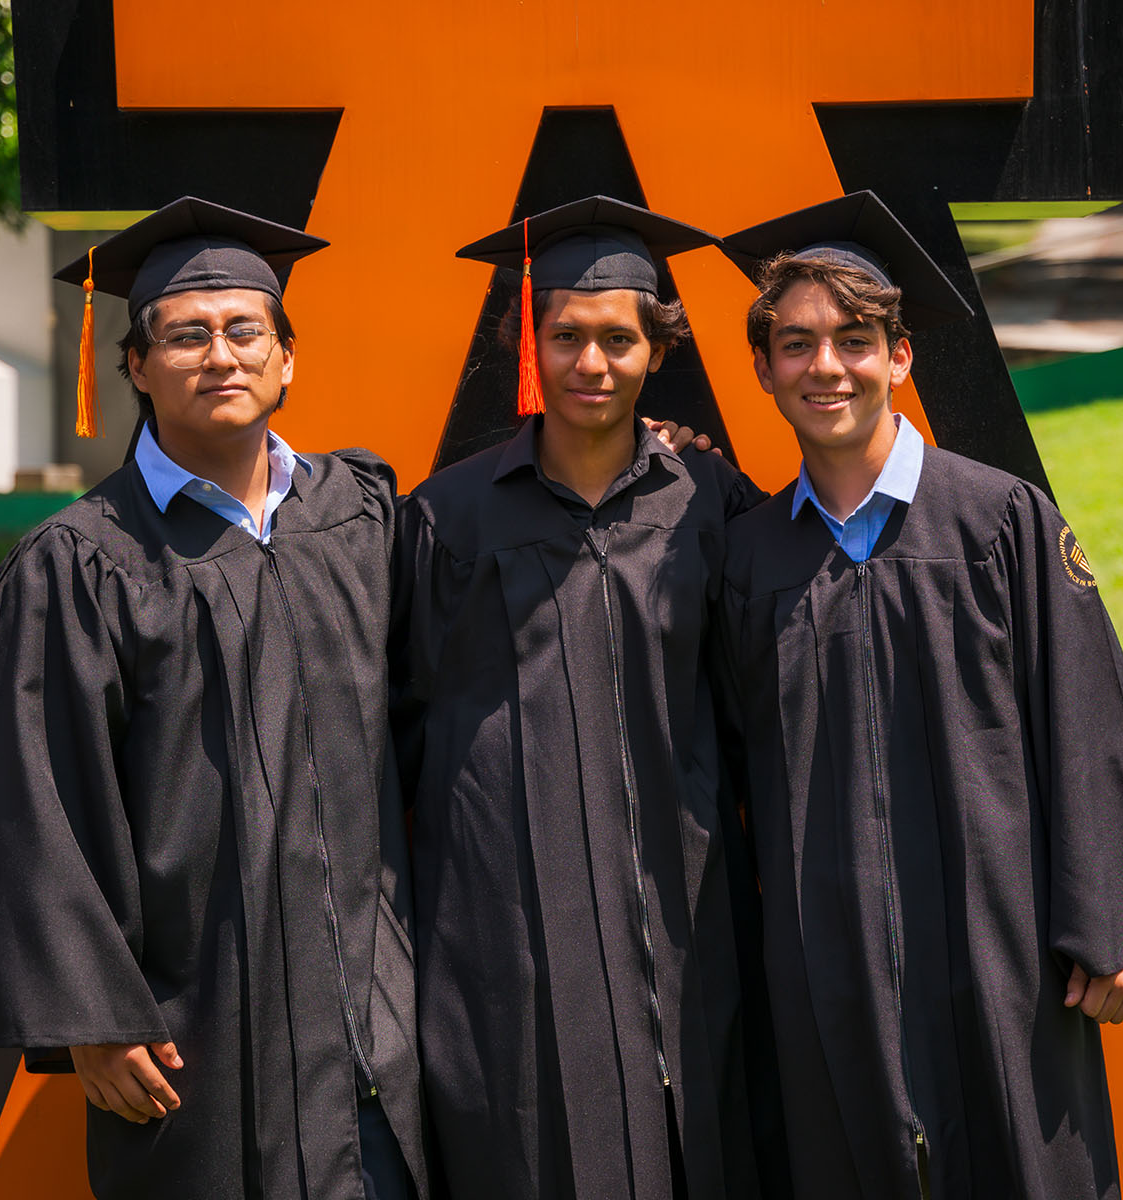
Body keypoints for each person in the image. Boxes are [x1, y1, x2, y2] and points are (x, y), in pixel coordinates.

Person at [713, 191, 1123, 1199]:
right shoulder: (749, 555)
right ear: (765, 369)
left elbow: (1087, 719)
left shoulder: (996, 520)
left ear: (901, 357)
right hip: (830, 952)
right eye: (797, 344)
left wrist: (1113, 923)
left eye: (855, 340)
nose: (827, 366)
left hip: (1003, 946)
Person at [0, 197, 424, 1200]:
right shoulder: (81, 563)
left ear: (288, 357)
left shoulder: (360, 517)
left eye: (243, 330)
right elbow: (31, 804)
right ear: (134, 365)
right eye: (186, 334)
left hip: (376, 1024)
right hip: (198, 1029)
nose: (220, 355)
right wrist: (91, 1013)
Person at [393, 196, 771, 1200]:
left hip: (681, 901)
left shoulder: (710, 504)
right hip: (503, 917)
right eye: (565, 337)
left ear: (656, 350)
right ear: (531, 344)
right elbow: (396, 723)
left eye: (617, 339)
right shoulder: (447, 518)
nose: (591, 364)